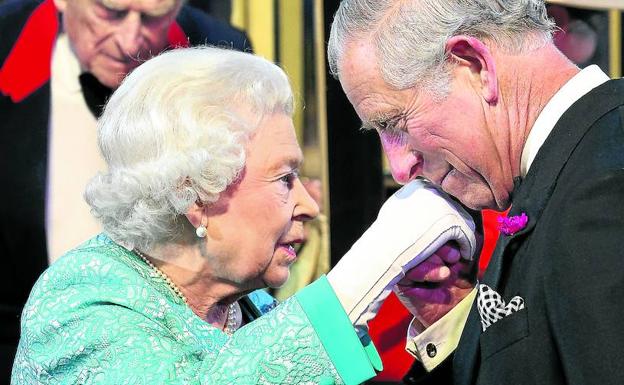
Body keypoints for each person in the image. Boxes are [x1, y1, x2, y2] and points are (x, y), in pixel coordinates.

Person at [11, 46, 477, 384]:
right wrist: (359, 279)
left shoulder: (246, 307)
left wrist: (444, 321)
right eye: (283, 179)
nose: (309, 206)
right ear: (195, 196)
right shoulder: (79, 301)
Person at [327, 0, 624, 384]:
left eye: (394, 123)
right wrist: (451, 314)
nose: (401, 169)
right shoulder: (575, 167)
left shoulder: (604, 189)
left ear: (474, 66)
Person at [0, 0, 250, 375]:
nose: (131, 40)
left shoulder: (218, 49)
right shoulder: (5, 39)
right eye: (110, 12)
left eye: (154, 18)